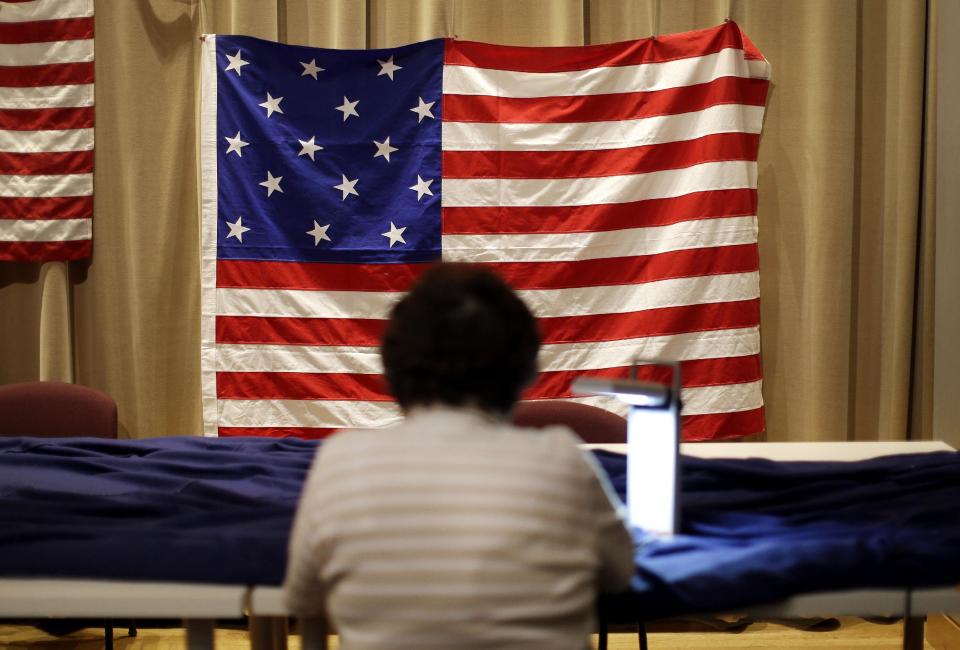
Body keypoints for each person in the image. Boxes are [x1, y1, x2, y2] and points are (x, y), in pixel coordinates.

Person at [283, 263, 635, 649]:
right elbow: (620, 576)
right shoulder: (562, 461)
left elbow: (303, 598)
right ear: (526, 370)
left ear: (390, 369)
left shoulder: (340, 463)